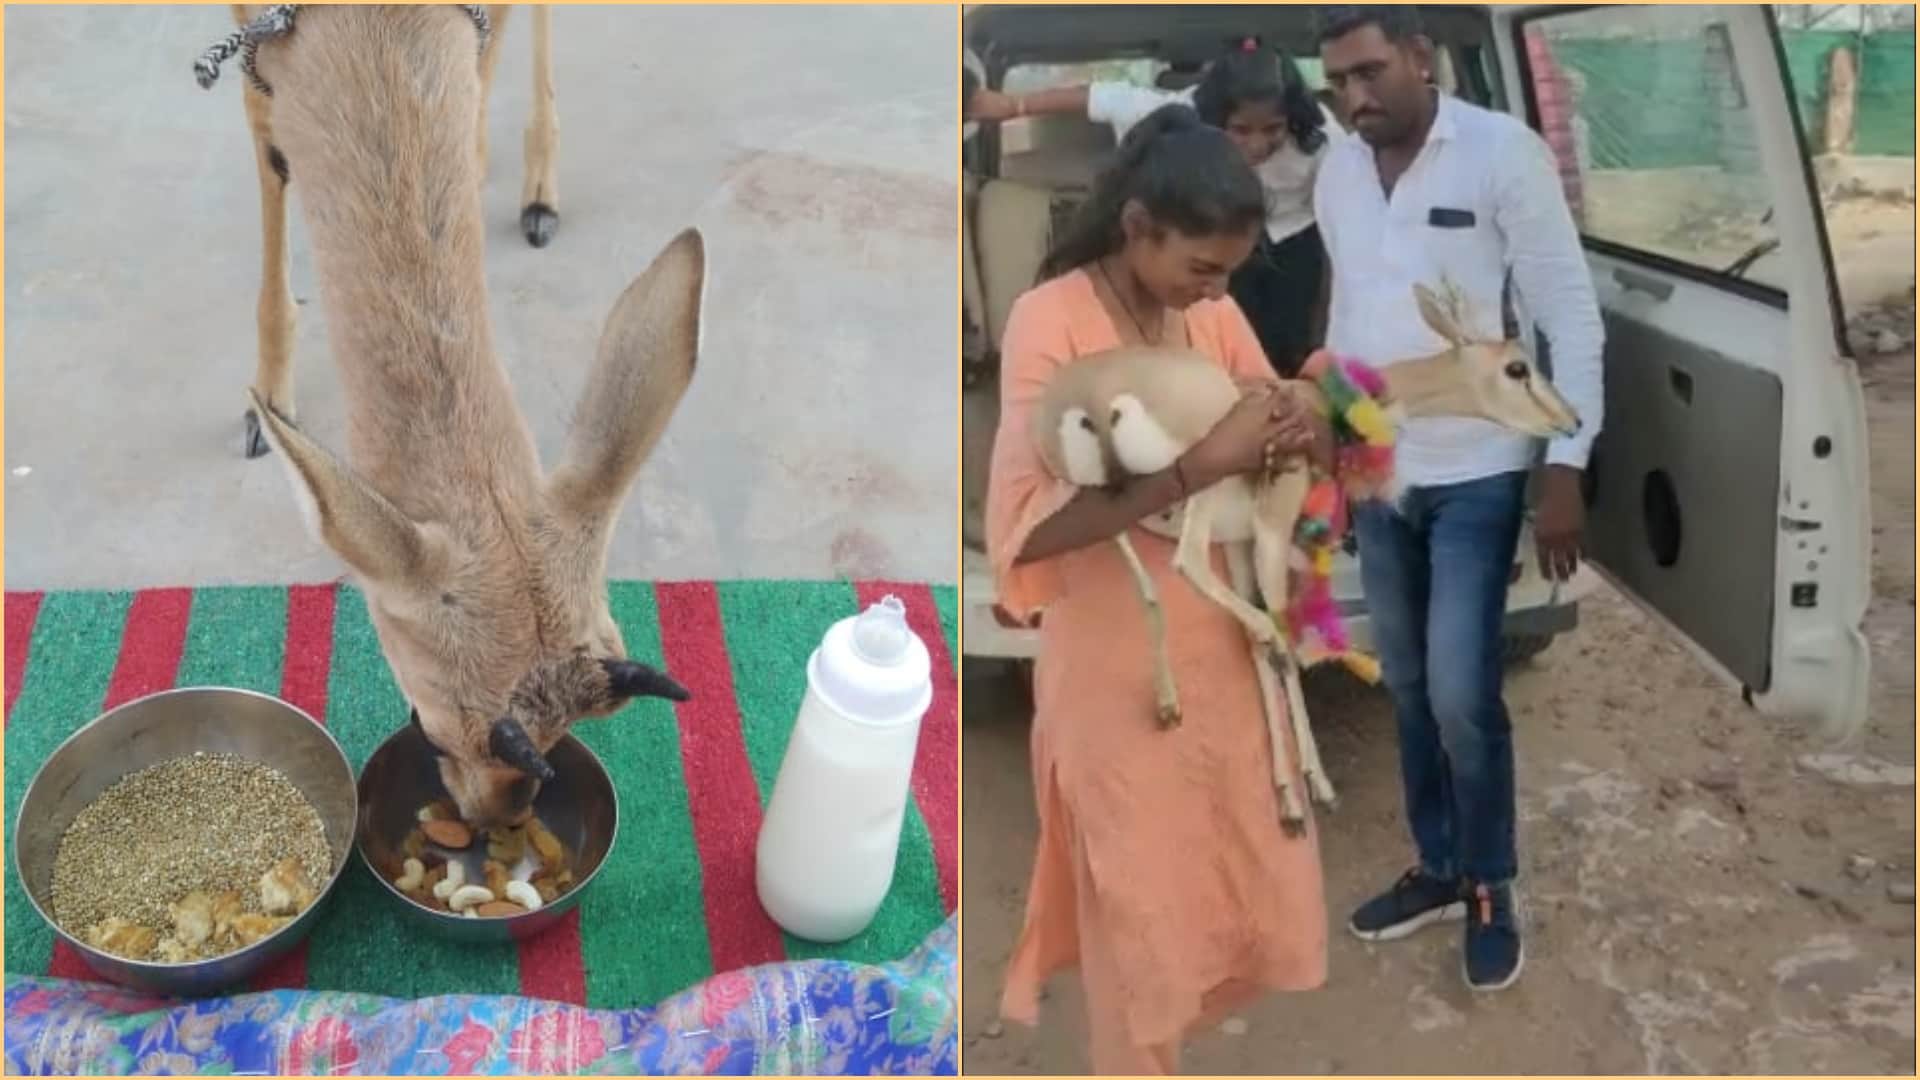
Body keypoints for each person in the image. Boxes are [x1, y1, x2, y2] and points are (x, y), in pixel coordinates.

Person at [984, 103, 1335, 1074]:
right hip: (1116, 667)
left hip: (1219, 647)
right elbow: (1029, 526)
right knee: (1135, 903)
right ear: (1137, 227)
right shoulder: (1050, 318)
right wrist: (1197, 465)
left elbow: (1269, 417)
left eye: (1230, 274)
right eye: (1203, 268)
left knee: (1220, 871)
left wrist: (1304, 427)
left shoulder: (1210, 315)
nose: (1217, 292)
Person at [1309, 6, 1604, 992]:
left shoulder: (1502, 153)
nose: (1354, 98)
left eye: (1369, 72)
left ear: (1419, 57)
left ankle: (1489, 883)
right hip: (1381, 467)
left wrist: (1567, 461)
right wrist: (1340, 445)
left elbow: (1567, 311)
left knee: (1461, 697)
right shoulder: (1339, 168)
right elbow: (1347, 310)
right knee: (1403, 682)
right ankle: (1437, 867)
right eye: (1337, 82)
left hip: (1479, 468)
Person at [968, 39, 1342, 377]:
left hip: (1291, 237)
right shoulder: (1047, 319)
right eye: (1241, 130)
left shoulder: (1322, 137)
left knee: (1289, 337)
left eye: (1273, 129)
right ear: (1136, 225)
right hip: (1223, 242)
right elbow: (1104, 98)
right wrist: (1013, 105)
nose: (1257, 145)